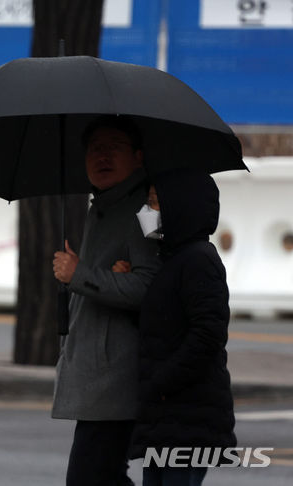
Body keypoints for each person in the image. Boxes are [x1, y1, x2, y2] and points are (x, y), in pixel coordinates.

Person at [51, 115, 161, 486]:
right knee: (100, 476)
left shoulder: (145, 210)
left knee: (90, 477)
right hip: (98, 375)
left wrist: (78, 273)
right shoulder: (102, 208)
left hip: (117, 376)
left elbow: (149, 288)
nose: (103, 156)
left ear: (139, 156)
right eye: (95, 149)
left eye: (114, 147)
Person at [126, 169, 236, 485]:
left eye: (156, 202)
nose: (148, 212)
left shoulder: (198, 260)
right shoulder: (172, 259)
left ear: (182, 207)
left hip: (184, 411)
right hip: (168, 414)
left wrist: (162, 382)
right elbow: (161, 326)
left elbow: (208, 333)